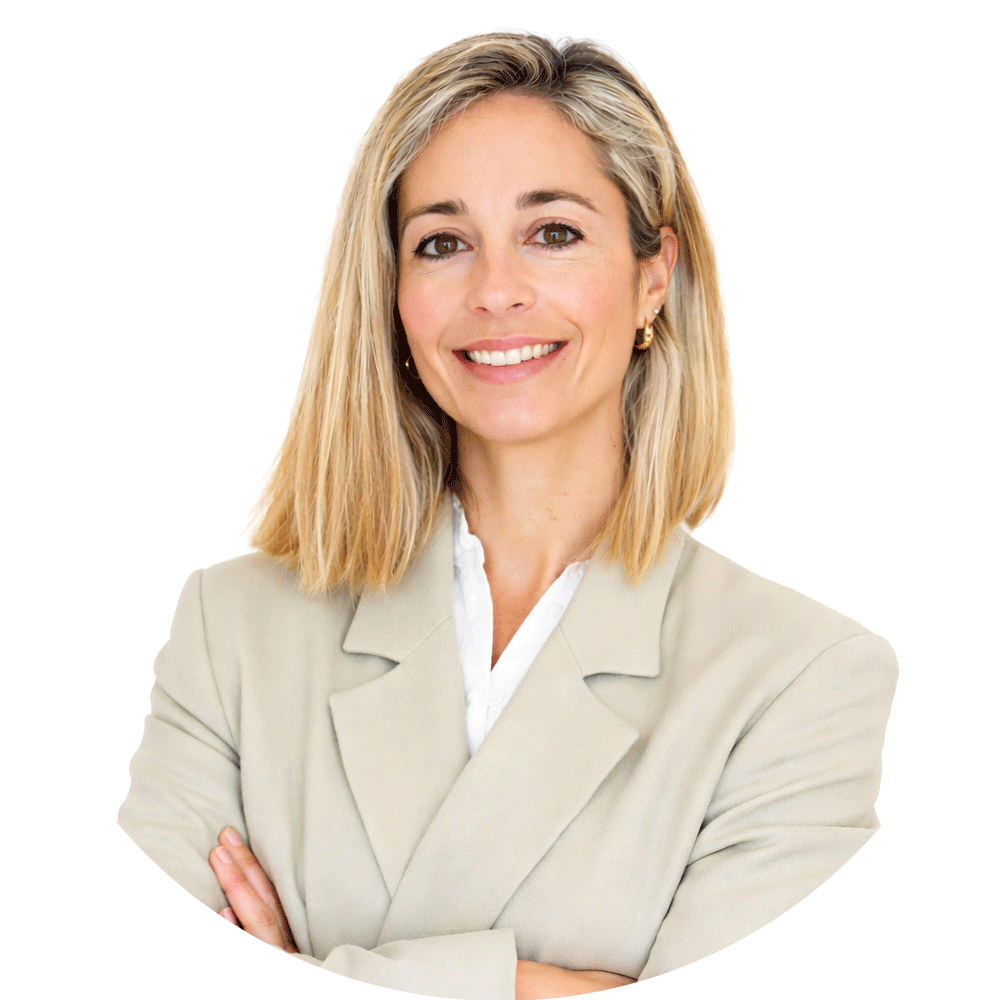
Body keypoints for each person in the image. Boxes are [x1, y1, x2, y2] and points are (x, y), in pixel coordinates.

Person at [119, 31, 897, 1000]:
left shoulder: (800, 678)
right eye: (442, 243)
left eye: (553, 233)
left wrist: (301, 969)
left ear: (654, 274)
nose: (495, 292)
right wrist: (534, 982)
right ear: (391, 294)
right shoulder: (233, 631)